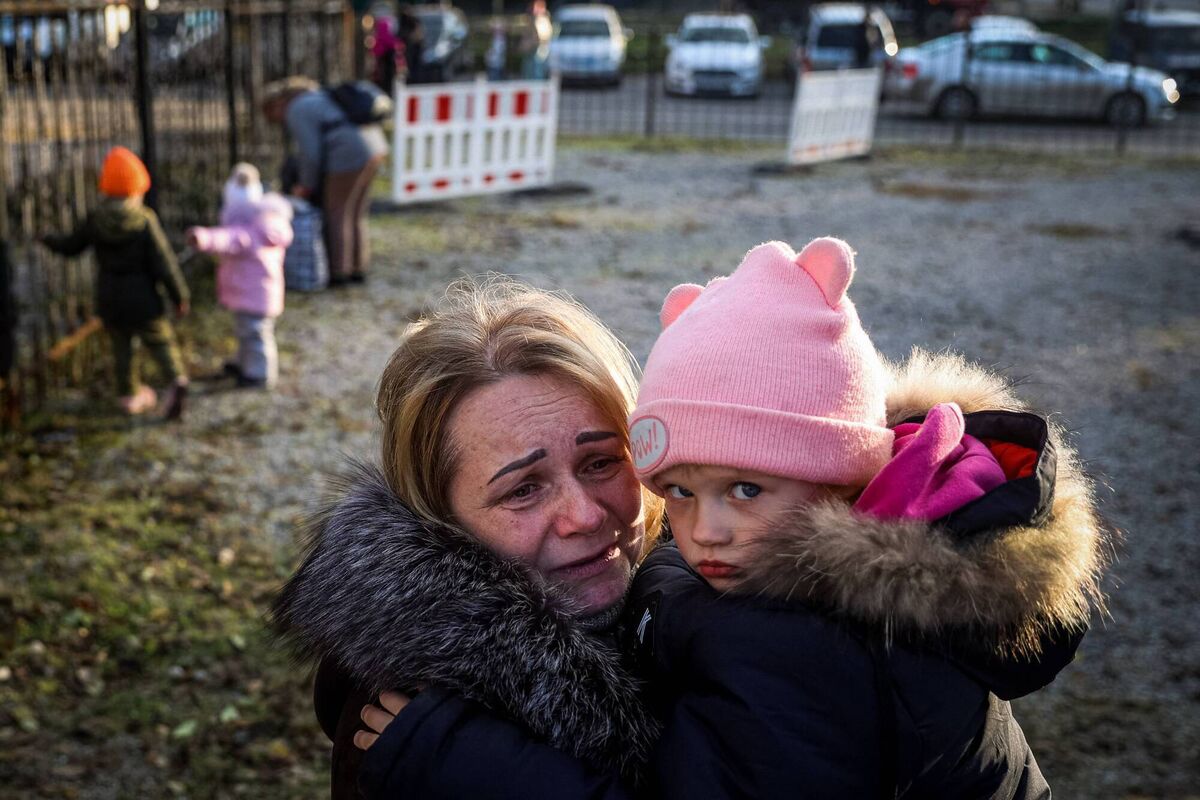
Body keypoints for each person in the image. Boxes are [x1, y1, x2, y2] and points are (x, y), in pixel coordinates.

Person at [619, 238, 1109, 797]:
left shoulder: (802, 652)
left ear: (842, 478)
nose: (705, 531)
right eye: (678, 490)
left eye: (747, 488)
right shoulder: (896, 548)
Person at [272, 277, 665, 799]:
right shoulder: (403, 727)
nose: (585, 516)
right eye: (523, 490)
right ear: (442, 520)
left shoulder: (721, 563)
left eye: (600, 462)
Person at [40, 146, 190, 419]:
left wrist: (48, 239)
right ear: (138, 188)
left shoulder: (97, 220)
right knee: (160, 340)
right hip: (144, 296)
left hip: (111, 295)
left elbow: (72, 247)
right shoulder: (144, 220)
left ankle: (129, 396)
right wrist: (179, 296)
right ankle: (176, 379)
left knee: (123, 348)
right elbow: (164, 263)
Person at [261, 76, 389, 287]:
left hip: (349, 153)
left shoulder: (296, 109)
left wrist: (305, 185)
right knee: (355, 212)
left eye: (271, 115)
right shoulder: (318, 97)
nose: (276, 121)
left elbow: (311, 153)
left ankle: (339, 273)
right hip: (374, 146)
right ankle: (358, 268)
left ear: (277, 103)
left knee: (337, 212)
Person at [186, 163, 293, 390]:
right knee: (249, 332)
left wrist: (202, 238)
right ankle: (246, 364)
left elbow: (227, 238)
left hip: (252, 295)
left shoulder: (248, 232)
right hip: (256, 294)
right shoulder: (266, 225)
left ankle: (259, 374)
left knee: (255, 335)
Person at [519, 0, 552, 80]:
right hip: (531, 49)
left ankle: (537, 86)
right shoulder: (532, 19)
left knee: (538, 69)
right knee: (528, 69)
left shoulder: (542, 20)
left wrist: (533, 41)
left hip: (539, 48)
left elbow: (544, 36)